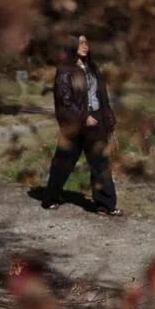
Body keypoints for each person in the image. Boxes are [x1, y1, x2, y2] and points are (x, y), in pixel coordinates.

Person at [42, 34, 121, 216]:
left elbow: (102, 96)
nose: (85, 46)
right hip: (75, 123)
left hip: (96, 119)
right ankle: (51, 197)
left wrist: (108, 117)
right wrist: (83, 117)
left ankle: (105, 205)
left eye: (86, 42)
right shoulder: (65, 70)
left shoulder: (92, 68)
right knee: (64, 162)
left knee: (100, 162)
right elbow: (64, 101)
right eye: (80, 43)